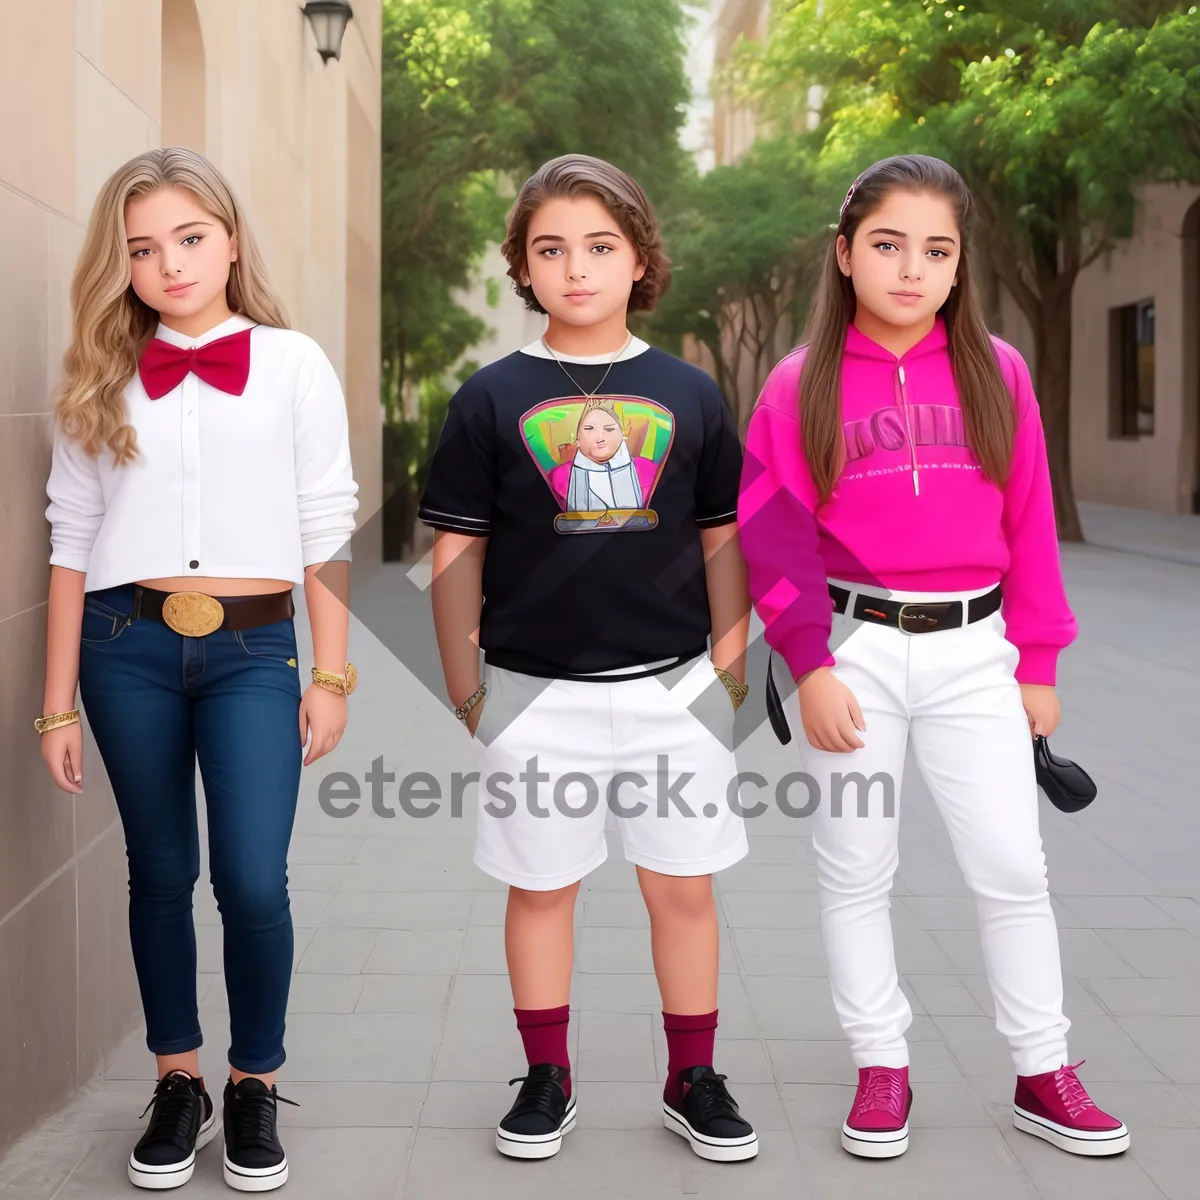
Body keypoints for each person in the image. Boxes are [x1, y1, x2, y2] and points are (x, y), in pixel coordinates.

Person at [737, 154, 1130, 1160]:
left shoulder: (998, 372)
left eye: (937, 250)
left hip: (976, 653)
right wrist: (810, 664)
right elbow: (771, 538)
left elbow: (1031, 517)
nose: (912, 268)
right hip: (855, 653)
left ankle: (1044, 1069)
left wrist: (1038, 659)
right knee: (857, 867)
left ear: (959, 267)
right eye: (888, 244)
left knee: (1010, 865)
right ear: (846, 253)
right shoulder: (796, 385)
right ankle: (882, 1066)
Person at [420, 154, 759, 1163]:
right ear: (523, 267)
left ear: (639, 258)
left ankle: (691, 1073)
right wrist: (463, 684)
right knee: (541, 888)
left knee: (684, 888)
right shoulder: (490, 398)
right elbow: (457, 547)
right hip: (534, 694)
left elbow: (722, 536)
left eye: (599, 247)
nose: (576, 269)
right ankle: (546, 1075)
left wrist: (732, 669)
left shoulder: (690, 393)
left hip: (674, 690)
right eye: (550, 249)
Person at [39, 147, 359, 1191]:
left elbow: (325, 525)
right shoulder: (101, 373)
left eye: (189, 237)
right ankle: (178, 1079)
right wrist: (54, 708)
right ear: (120, 263)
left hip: (254, 649)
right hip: (122, 649)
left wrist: (333, 673)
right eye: (142, 248)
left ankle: (253, 1079)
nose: (169, 264)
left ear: (228, 238)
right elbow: (70, 539)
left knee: (252, 879)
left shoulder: (294, 362)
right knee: (159, 874)